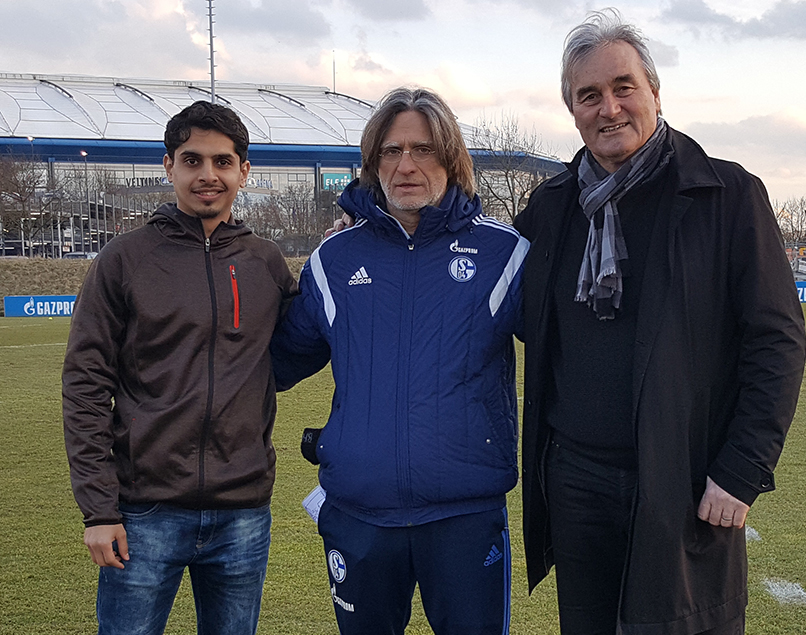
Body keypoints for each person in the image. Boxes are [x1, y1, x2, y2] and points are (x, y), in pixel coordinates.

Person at [513, 10, 806, 635]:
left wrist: (741, 471)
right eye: (588, 95)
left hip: (685, 481)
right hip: (576, 483)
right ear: (572, 111)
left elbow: (776, 341)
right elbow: (508, 309)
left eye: (623, 88)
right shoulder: (552, 207)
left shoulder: (726, 196)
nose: (609, 108)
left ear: (654, 92)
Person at [270, 87, 529, 635]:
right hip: (360, 518)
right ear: (372, 162)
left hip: (464, 517)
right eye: (391, 151)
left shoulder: (504, 254)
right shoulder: (334, 260)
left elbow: (575, 353)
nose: (406, 165)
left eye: (424, 149)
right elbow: (272, 362)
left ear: (452, 158)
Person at [62, 101, 296, 635]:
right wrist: (100, 510)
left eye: (222, 161)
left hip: (243, 512)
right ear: (168, 166)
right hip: (144, 514)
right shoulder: (124, 259)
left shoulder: (265, 262)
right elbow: (85, 385)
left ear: (244, 171)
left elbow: (297, 347)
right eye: (192, 161)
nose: (208, 175)